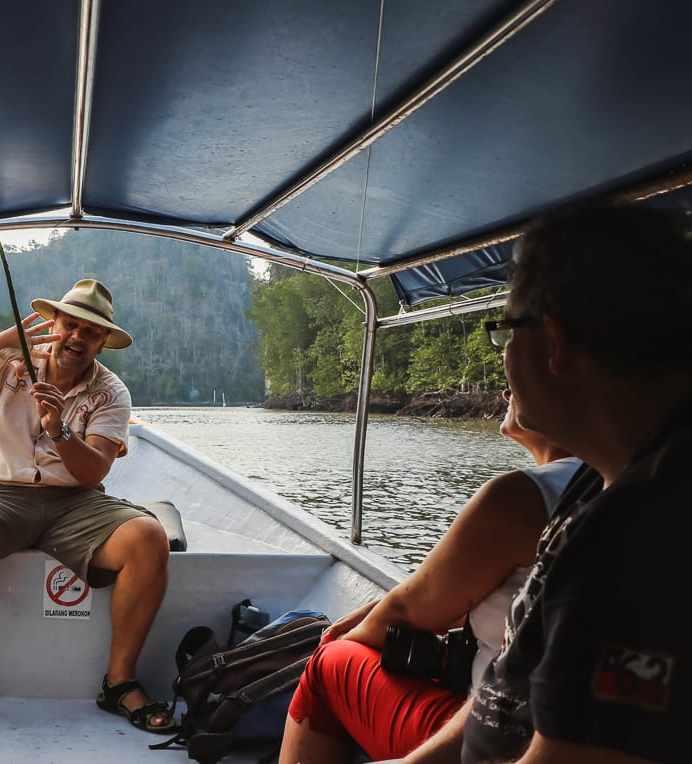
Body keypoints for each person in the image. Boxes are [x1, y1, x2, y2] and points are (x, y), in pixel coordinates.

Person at [403, 199, 692, 764]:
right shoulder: (598, 482)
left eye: (506, 331)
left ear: (553, 341)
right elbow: (507, 689)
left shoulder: (640, 534)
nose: (504, 355)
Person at [0, 279, 175, 733]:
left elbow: (93, 472)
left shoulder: (111, 392)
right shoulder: (8, 362)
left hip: (74, 502)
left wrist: (59, 430)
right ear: (53, 324)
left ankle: (119, 683)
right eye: (70, 325)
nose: (77, 337)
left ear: (103, 342)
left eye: (90, 332)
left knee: (148, 538)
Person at [279, 391, 580, 764]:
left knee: (329, 663)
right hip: (553, 728)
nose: (506, 392)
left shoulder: (525, 496)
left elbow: (406, 612)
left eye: (516, 376)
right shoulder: (624, 487)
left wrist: (342, 637)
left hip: (497, 735)